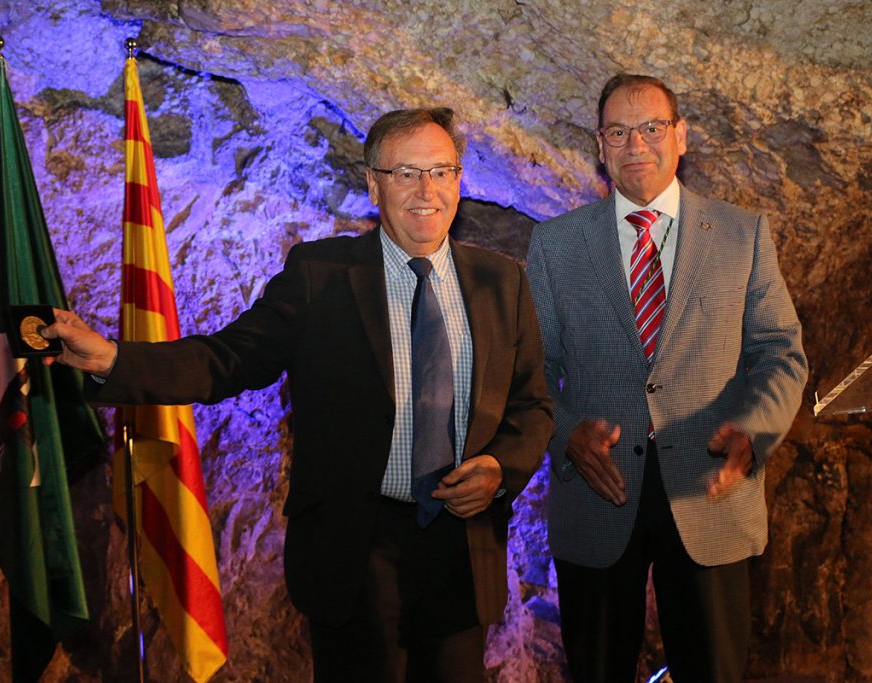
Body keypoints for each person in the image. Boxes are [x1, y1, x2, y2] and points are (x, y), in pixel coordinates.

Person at [42, 107, 554, 683]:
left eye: (441, 171)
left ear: (459, 180)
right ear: (372, 183)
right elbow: (223, 360)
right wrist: (114, 359)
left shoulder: (502, 280)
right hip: (355, 555)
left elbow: (532, 405)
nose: (426, 190)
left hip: (464, 549)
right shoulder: (319, 276)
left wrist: (499, 467)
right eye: (406, 173)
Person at [526, 74, 808, 682]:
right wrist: (567, 432)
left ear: (681, 136)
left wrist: (755, 432)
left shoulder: (742, 234)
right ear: (600, 146)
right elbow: (531, 372)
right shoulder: (555, 245)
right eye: (618, 132)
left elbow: (780, 353)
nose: (636, 145)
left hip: (710, 491)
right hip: (597, 492)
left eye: (652, 128)